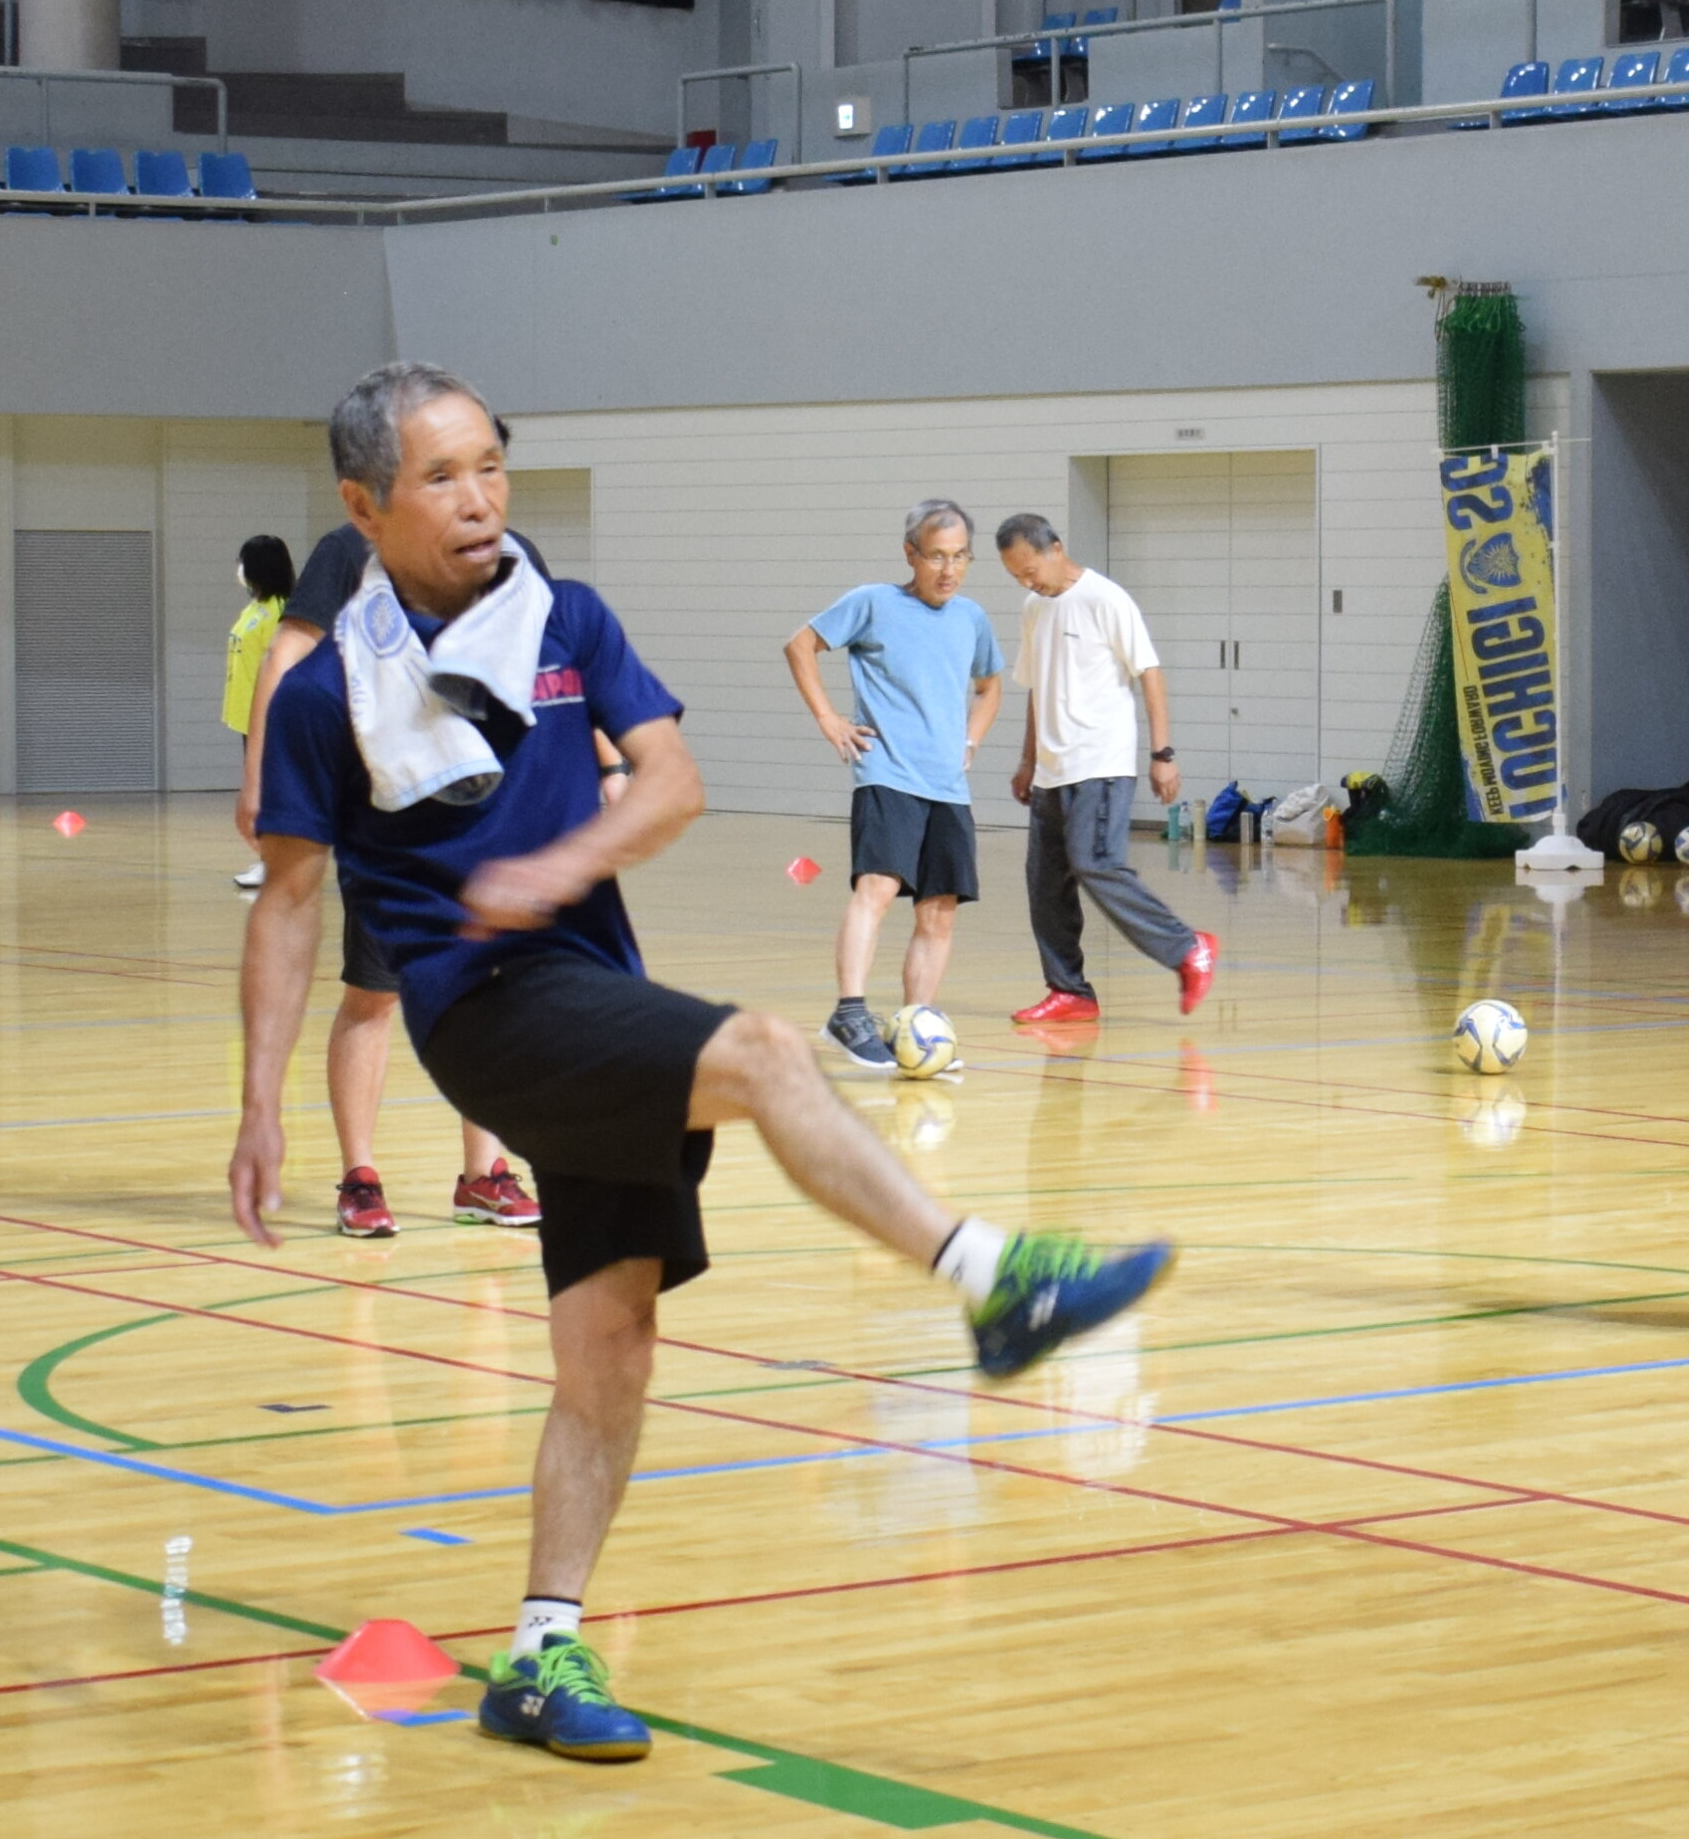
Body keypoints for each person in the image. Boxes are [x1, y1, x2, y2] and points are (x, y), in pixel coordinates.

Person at [234, 365, 1169, 1759]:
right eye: (440, 477)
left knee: (610, 1350)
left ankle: (539, 1656)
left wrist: (561, 862)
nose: (481, 498)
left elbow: (672, 782)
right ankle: (992, 1280)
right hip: (481, 1010)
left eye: (491, 465)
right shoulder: (327, 696)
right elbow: (290, 901)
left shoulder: (566, 618)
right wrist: (262, 1106)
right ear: (363, 506)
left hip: (583, 984)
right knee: (770, 1051)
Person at [257, 507, 532, 1234]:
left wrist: (606, 766)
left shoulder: (512, 555)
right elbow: (287, 653)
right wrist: (261, 774)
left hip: (488, 816)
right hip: (386, 813)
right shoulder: (351, 550)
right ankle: (360, 1177)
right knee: (373, 996)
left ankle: (484, 1174)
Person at [781, 502, 1005, 1070]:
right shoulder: (873, 602)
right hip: (888, 772)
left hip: (948, 786)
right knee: (877, 887)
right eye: (937, 557)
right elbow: (800, 644)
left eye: (960, 557)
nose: (949, 570)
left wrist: (971, 739)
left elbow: (990, 686)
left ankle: (915, 1026)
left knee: (940, 911)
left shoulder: (971, 618)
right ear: (911, 554)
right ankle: (850, 1013)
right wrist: (828, 717)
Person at [990, 510, 1215, 1025]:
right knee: (1045, 883)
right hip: (1051, 770)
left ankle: (1187, 947)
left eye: (1030, 571)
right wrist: (1027, 759)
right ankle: (1069, 991)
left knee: (1096, 862)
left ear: (1055, 549)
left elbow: (1149, 673)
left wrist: (1162, 754)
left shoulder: (1105, 599)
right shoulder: (1033, 608)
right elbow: (1036, 688)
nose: (1026, 583)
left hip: (1100, 762)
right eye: (1016, 576)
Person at [222, 531, 289, 896]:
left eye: (244, 561)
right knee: (259, 785)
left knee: (269, 788)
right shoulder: (254, 608)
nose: (239, 568)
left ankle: (274, 862)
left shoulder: (280, 611)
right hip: (245, 713)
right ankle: (266, 857)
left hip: (267, 715)